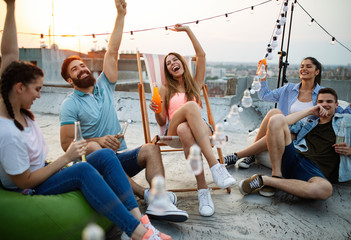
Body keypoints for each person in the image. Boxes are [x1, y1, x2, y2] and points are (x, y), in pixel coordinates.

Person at [0, 1, 172, 239]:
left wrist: (10, 7)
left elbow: (10, 54)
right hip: (32, 185)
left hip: (102, 159)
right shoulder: (8, 125)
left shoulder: (101, 87)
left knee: (110, 154)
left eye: (83, 65)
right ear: (18, 88)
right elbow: (28, 179)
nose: (40, 95)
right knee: (88, 161)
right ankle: (138, 232)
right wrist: (69, 156)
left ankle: (141, 219)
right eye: (37, 89)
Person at [58, 1, 187, 222]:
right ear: (70, 80)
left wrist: (120, 15)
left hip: (116, 159)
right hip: (91, 165)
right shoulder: (70, 104)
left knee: (151, 149)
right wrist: (99, 139)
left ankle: (159, 200)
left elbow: (112, 50)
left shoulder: (104, 85)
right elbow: (66, 143)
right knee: (94, 145)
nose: (82, 69)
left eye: (82, 65)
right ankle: (144, 194)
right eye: (75, 69)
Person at [149, 24, 236, 217]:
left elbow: (201, 55)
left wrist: (187, 30)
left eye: (175, 59)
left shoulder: (196, 83)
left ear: (182, 63)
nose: (172, 63)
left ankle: (203, 191)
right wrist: (156, 109)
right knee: (189, 109)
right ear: (169, 71)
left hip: (195, 130)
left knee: (185, 130)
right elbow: (162, 119)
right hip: (171, 130)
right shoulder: (164, 89)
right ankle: (216, 167)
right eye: (168, 63)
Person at [223, 57, 351, 169]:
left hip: (305, 133)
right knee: (274, 112)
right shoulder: (289, 89)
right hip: (285, 125)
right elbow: (265, 95)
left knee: (280, 126)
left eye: (308, 66)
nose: (303, 69)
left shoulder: (322, 94)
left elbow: (345, 113)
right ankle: (252, 154)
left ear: (317, 71)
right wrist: (262, 77)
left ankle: (240, 155)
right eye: (302, 66)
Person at [239, 88, 351, 199]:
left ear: (336, 105)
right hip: (295, 158)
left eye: (329, 101)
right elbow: (280, 123)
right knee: (276, 118)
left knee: (325, 190)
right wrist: (310, 111)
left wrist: (349, 151)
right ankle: (276, 175)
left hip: (315, 172)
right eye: (321, 102)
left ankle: (265, 180)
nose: (325, 104)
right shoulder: (309, 122)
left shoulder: (347, 120)